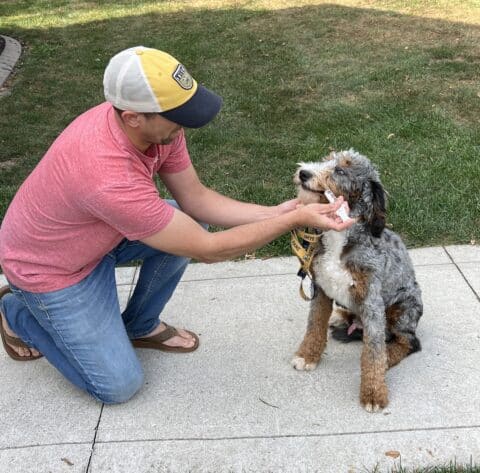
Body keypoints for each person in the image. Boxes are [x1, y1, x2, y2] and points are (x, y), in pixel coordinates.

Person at [0, 46, 353, 403]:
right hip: (51, 270)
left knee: (187, 219)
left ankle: (139, 325)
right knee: (116, 385)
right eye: (175, 115)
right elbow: (210, 249)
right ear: (133, 117)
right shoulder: (106, 174)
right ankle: (17, 312)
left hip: (100, 233)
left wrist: (279, 211)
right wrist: (294, 220)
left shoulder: (156, 128)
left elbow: (196, 199)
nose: (184, 123)